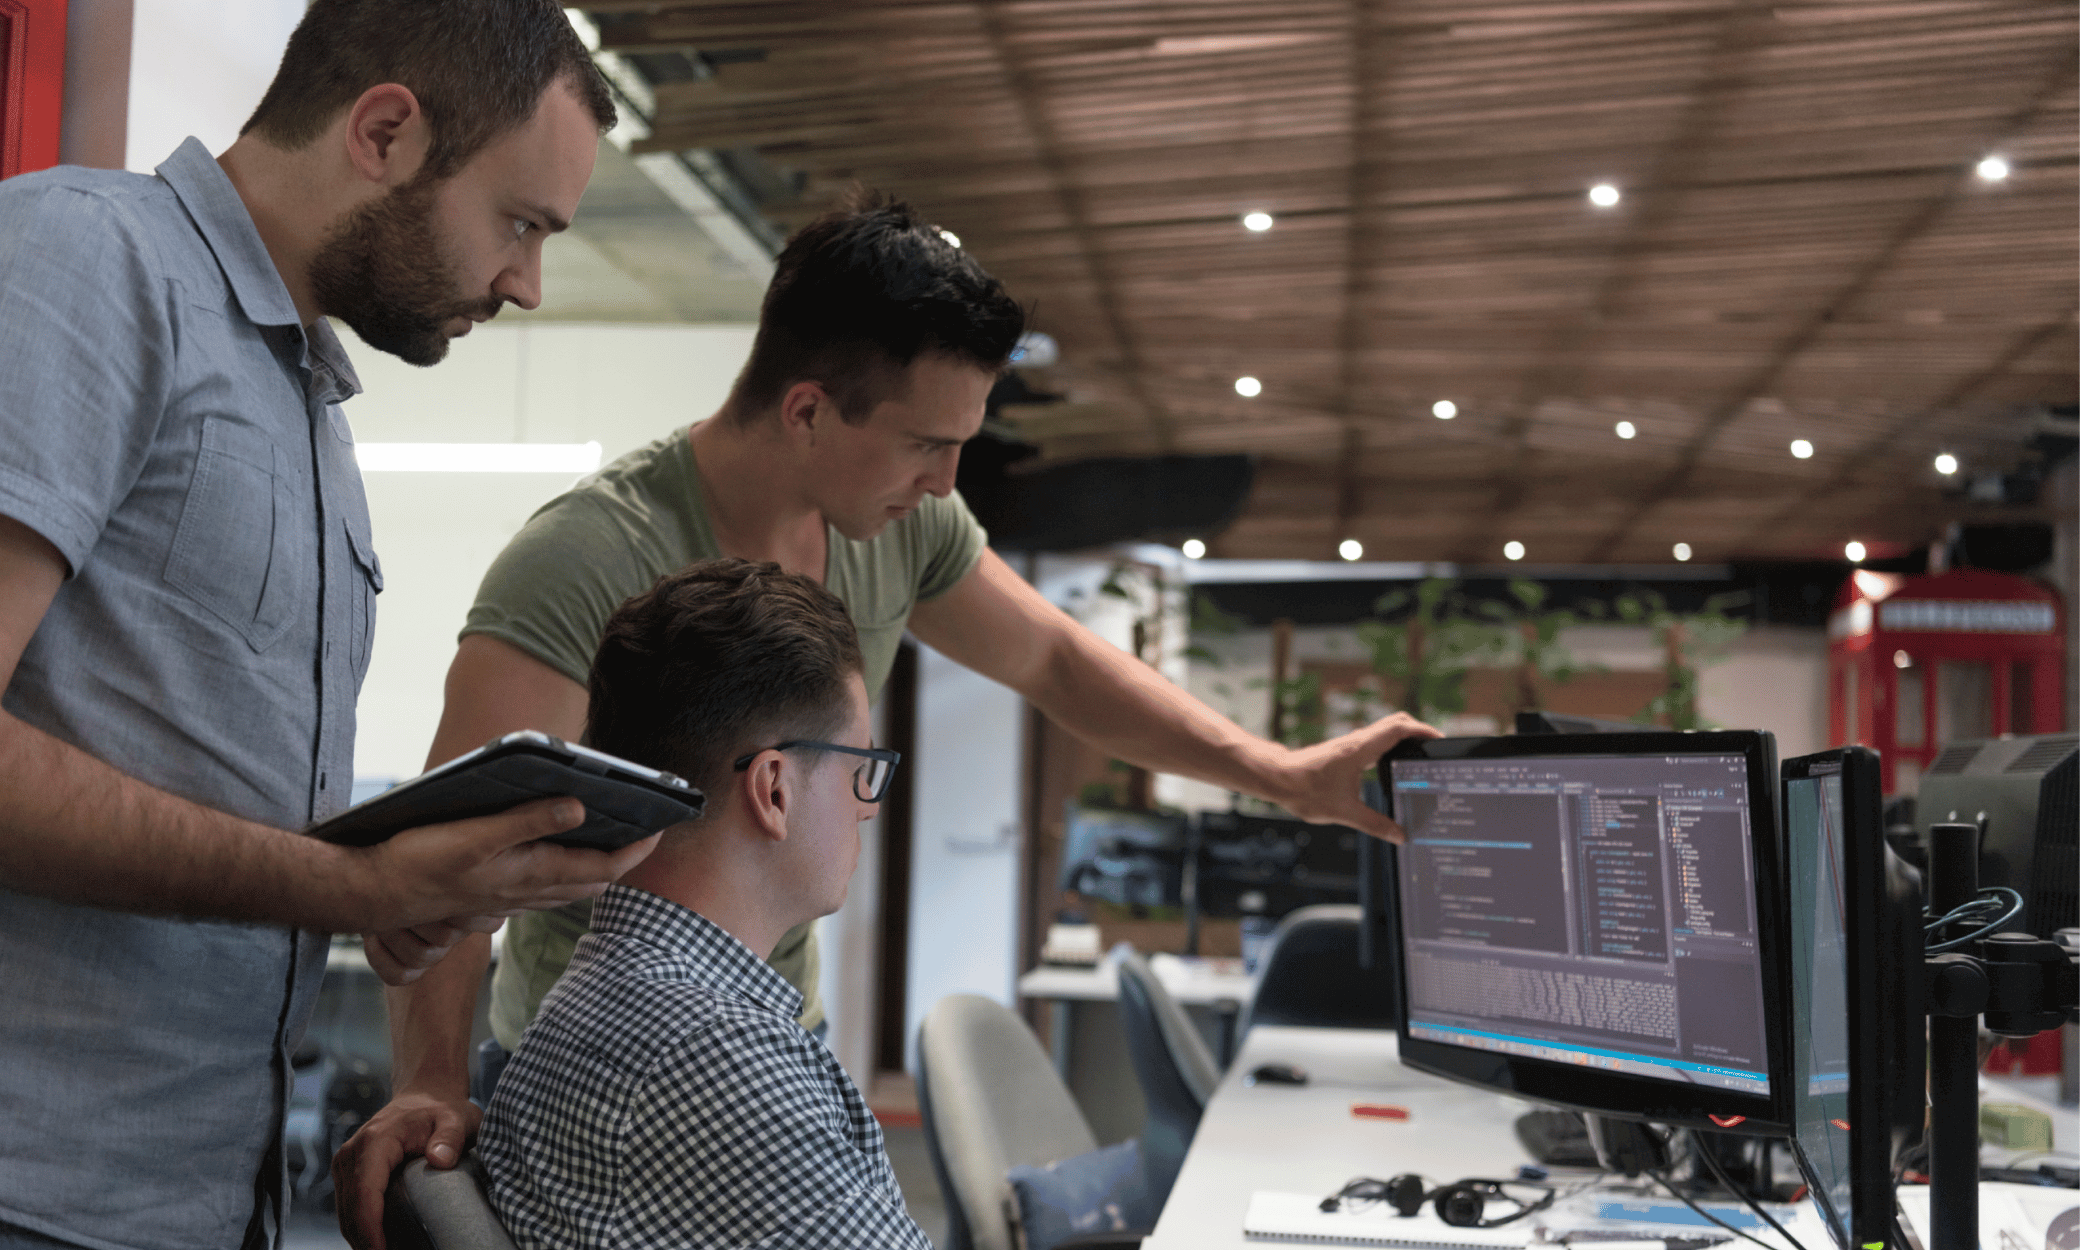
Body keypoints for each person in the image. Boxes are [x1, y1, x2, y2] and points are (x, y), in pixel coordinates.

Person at [334, 191, 1440, 1248]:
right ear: (808, 408)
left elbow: (1053, 656)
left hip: (766, 1028)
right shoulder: (588, 558)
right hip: (630, 1060)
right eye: (924, 442)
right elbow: (458, 861)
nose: (948, 477)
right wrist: (430, 1079)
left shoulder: (897, 521)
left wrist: (1282, 772)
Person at [0, 3, 660, 1247]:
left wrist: (393, 888)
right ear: (386, 131)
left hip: (198, 1193)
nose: (526, 282)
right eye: (520, 222)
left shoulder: (308, 408)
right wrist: (340, 880)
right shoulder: (87, 260)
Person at [478, 558, 929, 1249]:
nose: (865, 811)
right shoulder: (716, 1052)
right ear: (774, 789)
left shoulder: (601, 994)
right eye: (858, 770)